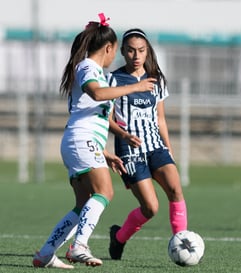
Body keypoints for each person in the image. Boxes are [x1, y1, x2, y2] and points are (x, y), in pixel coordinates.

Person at [32, 16, 156, 269]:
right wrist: (135, 88)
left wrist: (107, 153)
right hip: (81, 140)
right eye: (115, 51)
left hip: (82, 141)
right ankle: (79, 246)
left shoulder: (96, 71)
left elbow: (93, 114)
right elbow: (97, 94)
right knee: (105, 192)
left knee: (83, 204)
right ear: (109, 47)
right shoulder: (88, 67)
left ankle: (45, 253)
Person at [107, 28, 188, 260]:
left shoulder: (156, 80)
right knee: (151, 208)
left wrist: (168, 146)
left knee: (175, 189)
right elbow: (106, 120)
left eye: (141, 50)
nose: (136, 55)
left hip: (156, 146)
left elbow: (160, 118)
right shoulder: (112, 79)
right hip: (129, 151)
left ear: (147, 51)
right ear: (123, 51)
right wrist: (122, 135)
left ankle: (182, 244)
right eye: (131, 50)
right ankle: (119, 237)